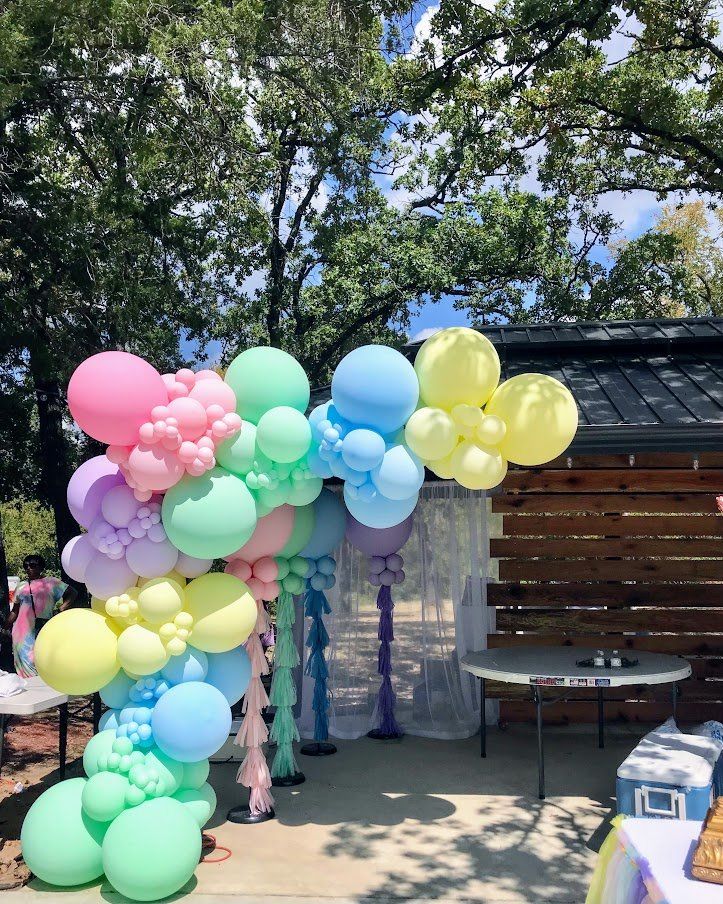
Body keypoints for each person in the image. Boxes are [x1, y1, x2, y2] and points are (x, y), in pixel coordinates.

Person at [5, 555, 76, 678]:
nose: (28, 568)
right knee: (26, 664)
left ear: (41, 567)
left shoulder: (51, 582)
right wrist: (5, 625)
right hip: (21, 634)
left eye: (32, 565)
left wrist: (62, 608)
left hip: (42, 629)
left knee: (41, 659)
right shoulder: (21, 586)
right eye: (26, 566)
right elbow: (15, 611)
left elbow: (73, 593)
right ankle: (32, 693)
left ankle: (46, 691)